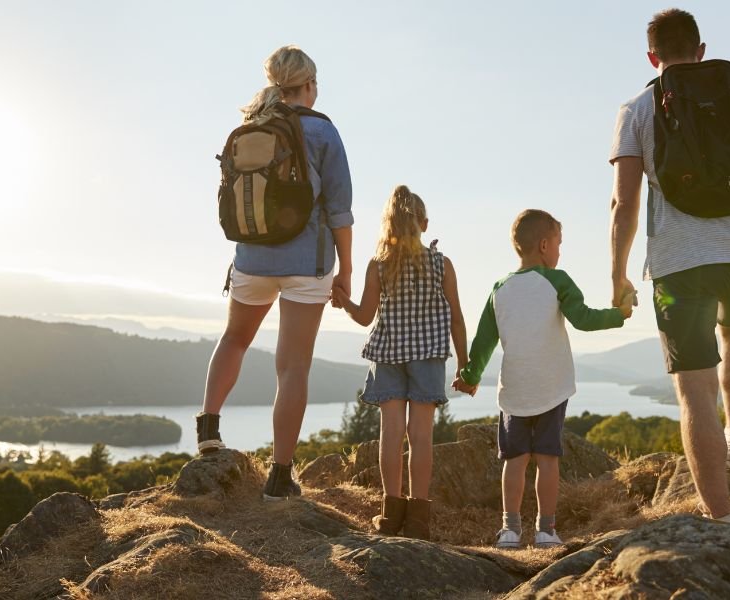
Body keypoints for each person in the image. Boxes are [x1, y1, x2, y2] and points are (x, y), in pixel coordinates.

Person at [607, 9, 730, 523]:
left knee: (693, 387)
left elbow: (624, 204)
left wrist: (618, 273)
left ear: (652, 57)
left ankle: (721, 520)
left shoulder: (637, 108)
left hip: (680, 261)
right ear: (701, 49)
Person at [198, 45, 354, 501]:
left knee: (234, 338)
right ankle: (280, 477)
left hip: (252, 258)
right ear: (309, 85)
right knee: (293, 367)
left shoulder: (252, 125)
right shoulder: (322, 131)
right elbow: (340, 211)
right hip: (307, 263)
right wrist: (345, 271)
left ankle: (208, 428)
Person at [454, 210, 632, 548]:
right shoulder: (558, 280)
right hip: (551, 387)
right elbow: (583, 319)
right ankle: (546, 531)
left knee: (515, 461)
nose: (560, 251)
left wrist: (470, 376)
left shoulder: (499, 288)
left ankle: (510, 530)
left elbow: (484, 341)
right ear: (545, 245)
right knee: (548, 460)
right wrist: (619, 315)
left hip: (515, 391)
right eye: (559, 244)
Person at [332, 185, 468, 540]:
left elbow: (365, 317)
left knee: (390, 435)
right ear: (424, 223)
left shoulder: (379, 265)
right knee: (421, 437)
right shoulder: (441, 264)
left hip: (388, 354)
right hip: (428, 356)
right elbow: (456, 318)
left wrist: (344, 302)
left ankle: (390, 514)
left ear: (388, 224)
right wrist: (464, 364)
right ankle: (419, 519)